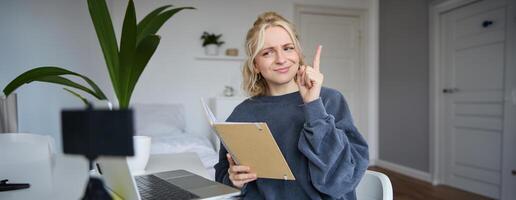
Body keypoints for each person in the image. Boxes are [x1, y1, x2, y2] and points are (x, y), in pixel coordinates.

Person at [214, 11, 369, 200]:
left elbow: (341, 180)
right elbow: (223, 175)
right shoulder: (242, 113)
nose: (281, 59)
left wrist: (313, 106)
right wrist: (233, 180)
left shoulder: (329, 101)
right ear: (255, 64)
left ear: (298, 53)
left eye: (288, 48)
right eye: (267, 52)